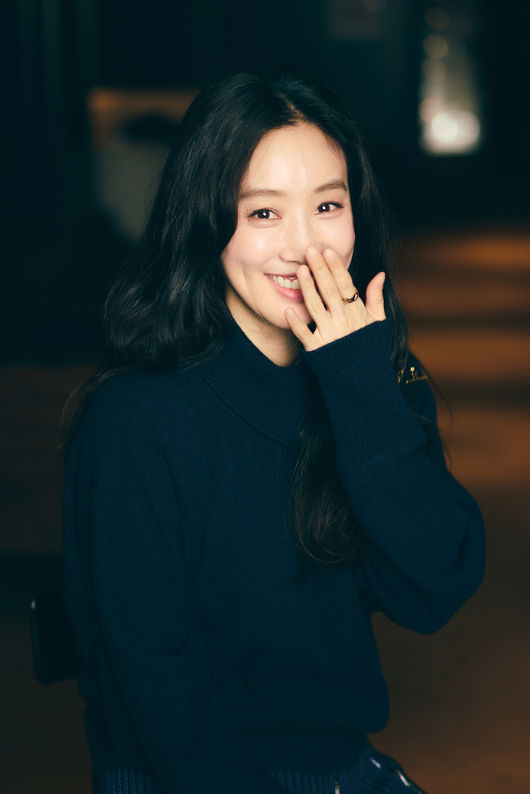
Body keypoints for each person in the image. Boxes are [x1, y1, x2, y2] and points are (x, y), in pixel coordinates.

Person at [62, 70, 485, 794]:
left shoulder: (365, 378)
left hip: (337, 768)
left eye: (327, 205)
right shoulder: (137, 417)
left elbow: (434, 587)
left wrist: (360, 390)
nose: (304, 247)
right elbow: (155, 693)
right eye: (263, 213)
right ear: (205, 220)